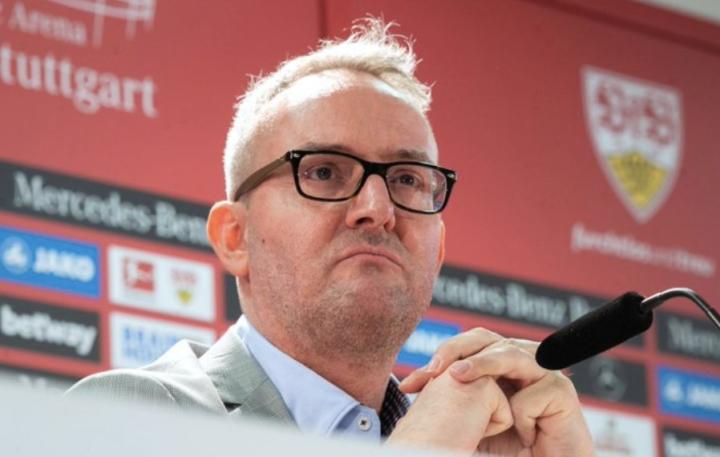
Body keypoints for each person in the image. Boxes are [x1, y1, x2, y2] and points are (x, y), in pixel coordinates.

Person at [67, 18, 595, 456]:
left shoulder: (481, 442)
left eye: (407, 180)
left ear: (437, 252)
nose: (378, 210)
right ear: (235, 237)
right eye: (324, 172)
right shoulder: (132, 413)